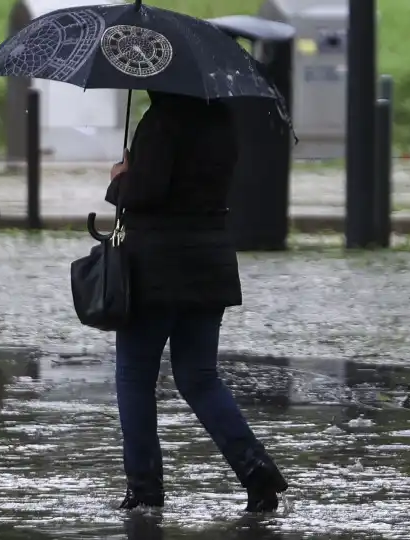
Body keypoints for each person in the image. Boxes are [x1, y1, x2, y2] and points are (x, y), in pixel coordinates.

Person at [105, 90, 288, 512]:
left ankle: (144, 489)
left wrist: (120, 178)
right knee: (199, 377)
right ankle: (255, 468)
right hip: (210, 263)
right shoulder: (221, 120)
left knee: (135, 377)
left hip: (156, 269)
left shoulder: (162, 121)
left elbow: (147, 191)